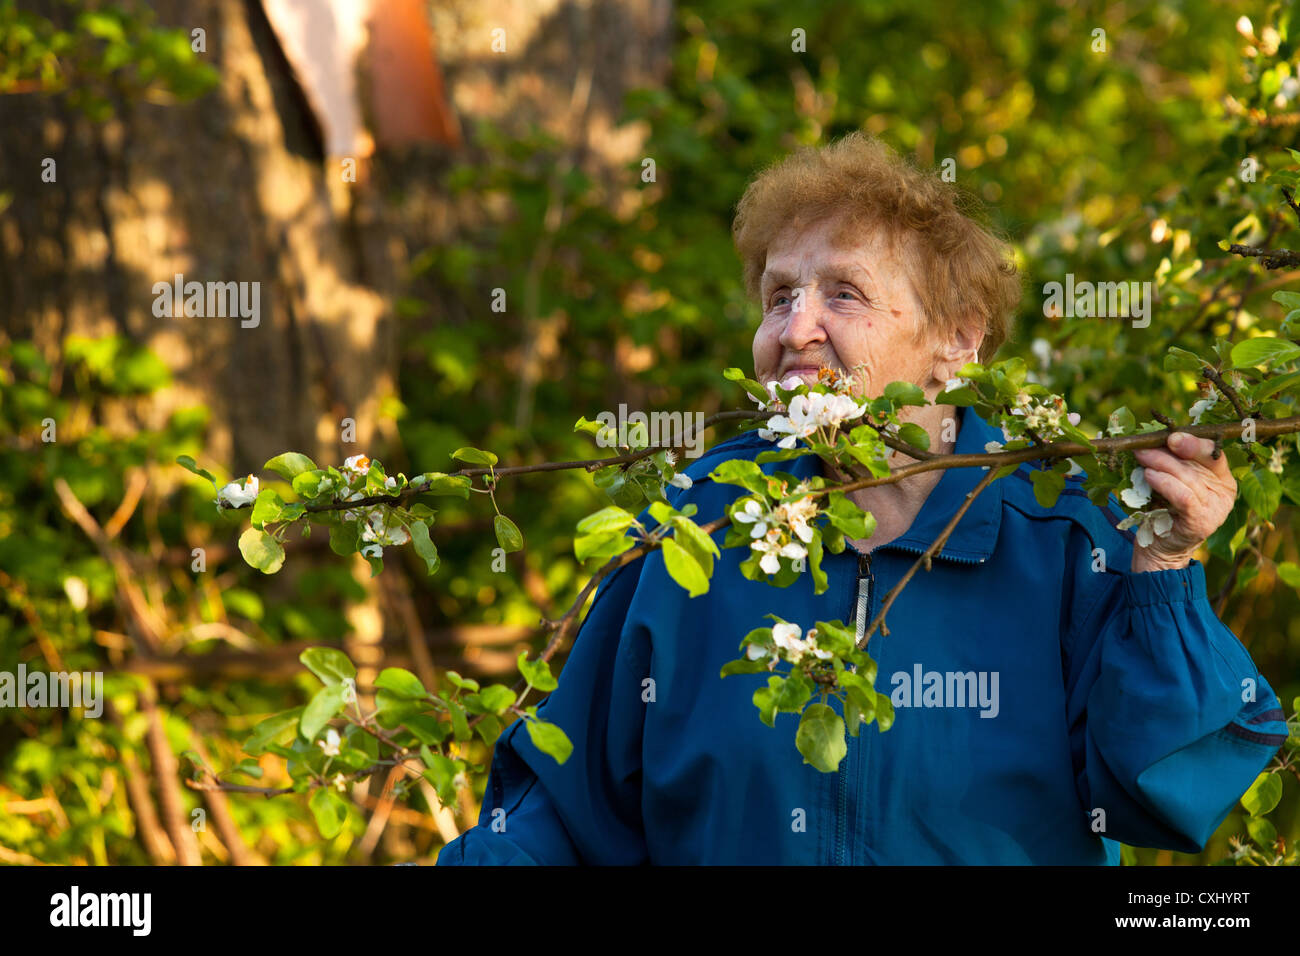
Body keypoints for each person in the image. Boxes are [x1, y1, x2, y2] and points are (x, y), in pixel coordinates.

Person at [436, 133, 1287, 865]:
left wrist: (1165, 571)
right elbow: (563, 814)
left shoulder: (1066, 531)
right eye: (778, 296)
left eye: (842, 293)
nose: (794, 329)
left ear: (957, 338)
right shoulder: (692, 531)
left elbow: (1169, 790)